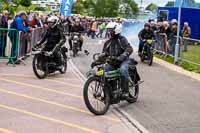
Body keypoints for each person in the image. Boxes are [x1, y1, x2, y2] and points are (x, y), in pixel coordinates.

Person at [91, 22, 133, 97]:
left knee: (123, 70)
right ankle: (111, 91)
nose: (109, 32)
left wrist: (122, 56)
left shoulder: (122, 39)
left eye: (111, 30)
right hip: (112, 63)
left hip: (123, 61)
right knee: (102, 71)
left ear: (116, 30)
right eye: (108, 30)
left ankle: (125, 91)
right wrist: (96, 62)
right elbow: (104, 55)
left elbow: (129, 49)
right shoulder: (108, 42)